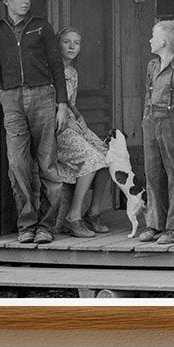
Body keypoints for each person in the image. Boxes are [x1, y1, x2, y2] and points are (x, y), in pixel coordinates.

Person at [0, 0, 69, 245]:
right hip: (12, 100)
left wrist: (62, 104)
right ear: (7, 1)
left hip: (43, 96)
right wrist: (1, 95)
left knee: (48, 164)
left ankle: (46, 226)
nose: (25, 1)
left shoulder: (42, 27)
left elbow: (57, 66)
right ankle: (26, 225)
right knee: (18, 164)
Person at [137, 20, 174, 245]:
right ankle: (155, 224)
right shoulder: (152, 65)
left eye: (153, 36)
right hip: (151, 121)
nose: (150, 40)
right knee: (153, 173)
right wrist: (145, 119)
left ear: (163, 41)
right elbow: (147, 95)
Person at [54, 27, 113, 238]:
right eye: (66, 42)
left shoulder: (72, 72)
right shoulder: (50, 70)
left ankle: (93, 212)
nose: (71, 47)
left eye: (76, 43)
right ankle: (73, 217)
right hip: (57, 128)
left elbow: (70, 103)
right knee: (93, 159)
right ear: (57, 44)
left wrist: (79, 116)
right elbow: (47, 104)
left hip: (72, 122)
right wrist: (68, 122)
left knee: (108, 154)